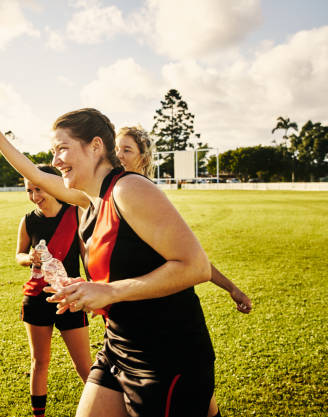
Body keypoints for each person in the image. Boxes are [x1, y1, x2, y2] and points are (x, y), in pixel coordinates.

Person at [0, 109, 218, 416]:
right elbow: (37, 175)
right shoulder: (90, 200)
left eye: (62, 149)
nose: (55, 161)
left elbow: (195, 266)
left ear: (95, 146)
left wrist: (111, 292)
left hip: (165, 355)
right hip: (119, 345)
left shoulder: (129, 189)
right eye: (53, 152)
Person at [116, 126, 252, 416]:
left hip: (172, 326)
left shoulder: (144, 196)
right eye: (116, 149)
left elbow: (195, 260)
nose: (119, 155)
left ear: (143, 158)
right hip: (137, 333)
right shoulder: (114, 195)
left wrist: (231, 288)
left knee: (197, 398)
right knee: (201, 402)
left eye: (127, 150)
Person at [16, 164, 92, 417]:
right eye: (29, 190)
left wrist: (92, 289)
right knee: (40, 362)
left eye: (40, 188)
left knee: (84, 365)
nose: (35, 195)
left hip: (69, 296)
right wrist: (30, 258)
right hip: (37, 298)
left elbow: (86, 255)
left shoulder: (75, 214)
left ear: (53, 186)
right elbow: (19, 255)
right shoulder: (28, 221)